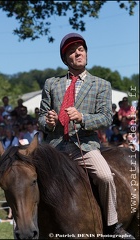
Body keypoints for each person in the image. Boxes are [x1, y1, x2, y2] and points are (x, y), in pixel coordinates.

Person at [38, 33, 134, 239]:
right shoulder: (51, 84)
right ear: (65, 59)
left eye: (81, 48)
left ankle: (113, 225)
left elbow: (106, 118)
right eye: (72, 51)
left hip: (85, 147)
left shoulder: (101, 84)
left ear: (86, 53)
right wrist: (48, 121)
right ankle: (27, 226)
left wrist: (83, 117)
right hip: (53, 148)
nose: (78, 52)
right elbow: (40, 117)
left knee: (105, 176)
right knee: (25, 178)